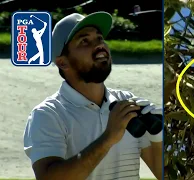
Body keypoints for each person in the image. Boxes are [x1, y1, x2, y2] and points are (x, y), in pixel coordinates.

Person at [23, 11, 163, 180]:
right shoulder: (48, 114)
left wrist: (158, 138)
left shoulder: (126, 103)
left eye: (99, 38)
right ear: (62, 62)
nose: (99, 45)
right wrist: (108, 138)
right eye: (85, 41)